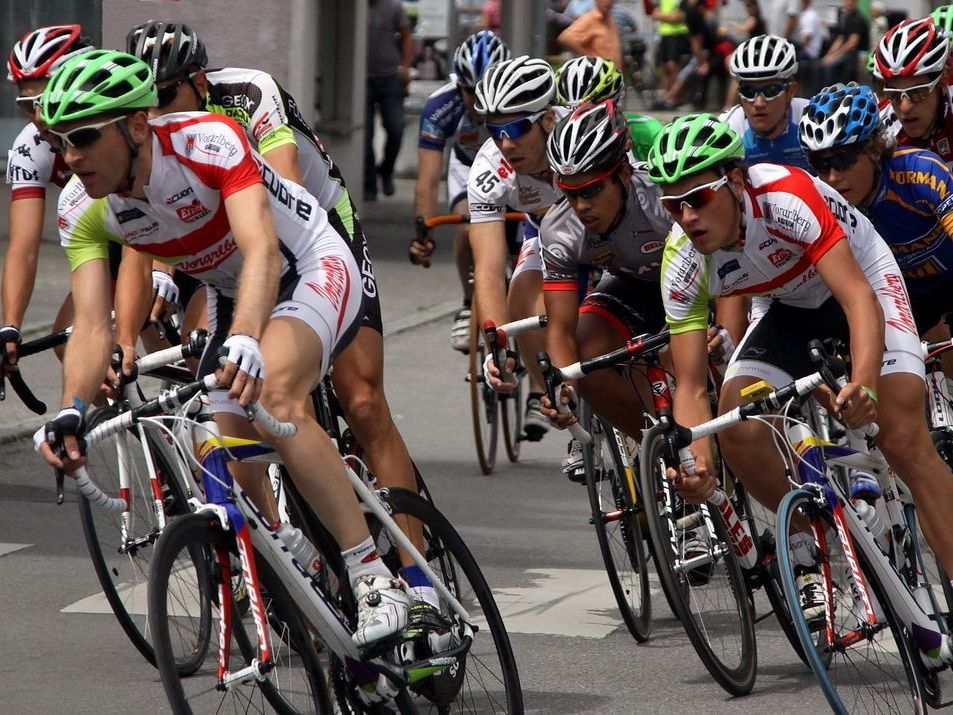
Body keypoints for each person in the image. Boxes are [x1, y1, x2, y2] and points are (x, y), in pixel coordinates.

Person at [35, 50, 411, 647]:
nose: (70, 158)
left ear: (136, 126)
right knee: (211, 436)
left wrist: (244, 338)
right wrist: (73, 410)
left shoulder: (209, 141)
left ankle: (375, 577)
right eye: (60, 142)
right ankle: (296, 555)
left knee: (278, 397)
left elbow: (261, 249)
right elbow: (90, 325)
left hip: (307, 263)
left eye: (83, 138)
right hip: (233, 290)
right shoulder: (84, 209)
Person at [125, 22, 428, 589]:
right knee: (208, 369)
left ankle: (416, 573)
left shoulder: (247, 93)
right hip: (224, 251)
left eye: (166, 96)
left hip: (308, 228)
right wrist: (162, 276)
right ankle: (272, 539)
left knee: (361, 401)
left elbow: (282, 187)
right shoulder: (144, 144)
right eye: (146, 100)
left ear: (199, 81)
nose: (156, 112)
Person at [647, 112, 953, 621]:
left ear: (737, 181)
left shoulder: (786, 197)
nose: (686, 217)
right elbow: (692, 386)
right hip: (786, 305)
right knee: (736, 424)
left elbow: (857, 298)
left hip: (861, 281)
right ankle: (825, 533)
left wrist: (865, 386)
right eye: (672, 206)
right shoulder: (683, 260)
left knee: (902, 437)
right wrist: (697, 462)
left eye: (697, 198)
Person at [537, 100, 673, 479]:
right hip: (632, 285)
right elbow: (561, 329)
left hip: (694, 286)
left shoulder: (663, 199)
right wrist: (563, 384)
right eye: (570, 192)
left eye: (593, 189)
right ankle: (661, 455)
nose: (581, 205)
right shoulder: (560, 230)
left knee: (685, 353)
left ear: (624, 174)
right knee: (586, 359)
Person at [800, 83, 953, 344]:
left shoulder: (920, 171)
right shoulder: (822, 197)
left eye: (844, 160)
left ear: (874, 148)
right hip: (903, 292)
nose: (834, 177)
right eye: (822, 165)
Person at [467, 55, 567, 438]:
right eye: (495, 130)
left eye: (517, 127)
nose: (506, 143)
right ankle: (546, 391)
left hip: (607, 233)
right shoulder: (490, 170)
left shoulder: (579, 137)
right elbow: (489, 268)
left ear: (548, 119)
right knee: (522, 299)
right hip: (546, 234)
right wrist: (496, 345)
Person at [1, 26, 102, 373]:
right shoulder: (32, 145)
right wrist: (10, 325)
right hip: (110, 243)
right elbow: (23, 247)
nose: (39, 118)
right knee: (72, 346)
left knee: (185, 355)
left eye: (44, 101)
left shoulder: (109, 130)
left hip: (171, 237)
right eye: (27, 105)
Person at [409, 30, 511, 354]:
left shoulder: (518, 98)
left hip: (513, 167)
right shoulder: (441, 105)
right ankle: (469, 303)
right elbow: (427, 178)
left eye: (485, 90)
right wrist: (423, 232)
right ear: (458, 84)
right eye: (470, 91)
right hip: (468, 168)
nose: (478, 101)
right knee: (470, 227)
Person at [720, 34, 811, 172]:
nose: (759, 103)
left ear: (791, 91)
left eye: (771, 91)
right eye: (748, 91)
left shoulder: (812, 119)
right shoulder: (727, 129)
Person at [876, 17, 953, 167]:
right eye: (894, 95)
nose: (905, 107)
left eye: (917, 93)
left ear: (942, 81)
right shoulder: (881, 133)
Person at [554, 55, 663, 160]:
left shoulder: (650, 131)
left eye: (591, 110)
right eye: (568, 110)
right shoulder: (551, 134)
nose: (579, 117)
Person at [365, 0, 414, 201]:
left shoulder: (393, 6)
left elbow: (407, 38)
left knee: (396, 128)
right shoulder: (358, 7)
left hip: (390, 78)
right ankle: (369, 185)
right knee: (365, 134)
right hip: (363, 80)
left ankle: (386, 170)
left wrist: (405, 66)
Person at [557, 0, 624, 70]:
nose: (608, 2)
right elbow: (566, 38)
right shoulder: (590, 19)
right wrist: (590, 60)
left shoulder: (610, 20)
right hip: (599, 75)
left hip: (614, 75)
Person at [819, 0, 869, 86]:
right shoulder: (846, 17)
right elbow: (840, 39)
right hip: (847, 52)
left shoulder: (858, 18)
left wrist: (835, 56)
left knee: (831, 66)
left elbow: (852, 42)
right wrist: (829, 55)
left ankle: (831, 91)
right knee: (822, 64)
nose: (848, 3)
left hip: (856, 54)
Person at [653, 0, 690, 93]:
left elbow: (676, 18)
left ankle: (674, 97)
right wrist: (668, 17)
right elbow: (654, 15)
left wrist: (661, 16)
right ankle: (667, 97)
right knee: (664, 67)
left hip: (677, 34)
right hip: (664, 34)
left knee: (672, 66)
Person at [795, 0, 825, 94]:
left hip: (810, 52)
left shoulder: (809, 16)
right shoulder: (804, 14)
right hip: (807, 50)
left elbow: (806, 39)